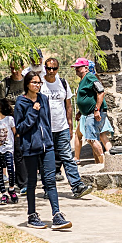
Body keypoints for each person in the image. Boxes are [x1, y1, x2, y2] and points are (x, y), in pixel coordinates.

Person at [14, 72, 72, 230]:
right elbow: (19, 128)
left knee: (50, 180)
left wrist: (49, 140)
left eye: (39, 83)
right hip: (30, 148)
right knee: (32, 182)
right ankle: (32, 215)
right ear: (27, 84)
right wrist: (33, 112)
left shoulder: (44, 99)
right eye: (34, 82)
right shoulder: (21, 102)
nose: (38, 85)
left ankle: (57, 215)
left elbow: (47, 123)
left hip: (47, 146)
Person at [40, 57, 92, 199]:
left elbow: (68, 106)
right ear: (45, 68)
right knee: (48, 160)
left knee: (68, 157)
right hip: (46, 129)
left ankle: (77, 186)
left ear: (58, 69)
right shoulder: (40, 84)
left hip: (62, 127)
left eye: (54, 68)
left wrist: (70, 126)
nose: (51, 71)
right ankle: (48, 188)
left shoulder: (62, 83)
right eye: (49, 68)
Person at [0, 57, 28, 192]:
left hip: (26, 120)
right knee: (16, 152)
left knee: (29, 150)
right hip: (10, 123)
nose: (15, 71)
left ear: (22, 67)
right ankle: (22, 183)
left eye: (17, 67)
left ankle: (32, 179)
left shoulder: (27, 82)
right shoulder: (4, 85)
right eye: (12, 68)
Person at [72, 57, 112, 164]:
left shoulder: (90, 77)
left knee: (91, 139)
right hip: (88, 113)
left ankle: (104, 163)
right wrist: (80, 112)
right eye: (75, 68)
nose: (76, 70)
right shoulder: (84, 80)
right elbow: (87, 97)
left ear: (86, 68)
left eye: (78, 68)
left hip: (93, 113)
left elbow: (101, 91)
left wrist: (96, 109)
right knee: (96, 137)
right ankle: (104, 161)